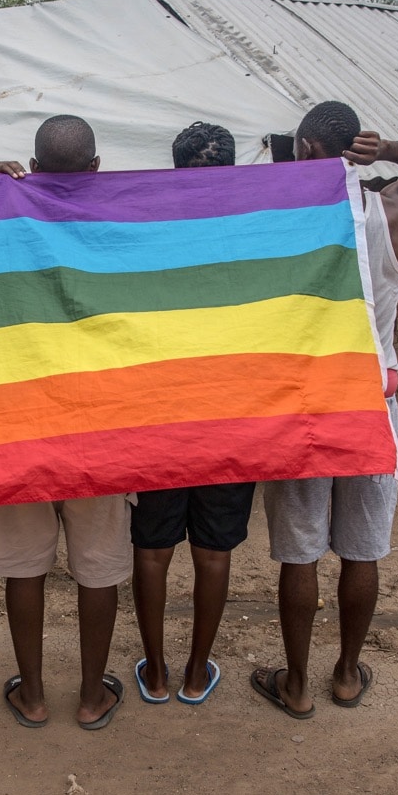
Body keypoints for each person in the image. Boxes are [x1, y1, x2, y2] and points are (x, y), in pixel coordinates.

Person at [251, 100, 398, 718]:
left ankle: (297, 684)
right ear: (357, 150)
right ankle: (347, 674)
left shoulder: (283, 225)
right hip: (371, 401)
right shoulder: (391, 212)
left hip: (305, 405)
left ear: (305, 150)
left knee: (301, 550)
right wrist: (384, 151)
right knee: (362, 550)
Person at [0, 114, 132, 730]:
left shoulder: (5, 215)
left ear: (32, 167)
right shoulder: (119, 222)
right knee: (98, 564)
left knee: (24, 565)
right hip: (102, 425)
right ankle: (93, 697)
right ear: (96, 169)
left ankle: (34, 696)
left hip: (20, 424)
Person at [131, 122, 255, 706]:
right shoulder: (254, 234)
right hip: (232, 418)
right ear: (230, 170)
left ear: (175, 167)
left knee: (152, 552)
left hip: (159, 418)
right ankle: (195, 672)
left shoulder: (149, 230)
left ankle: (154, 673)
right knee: (213, 553)